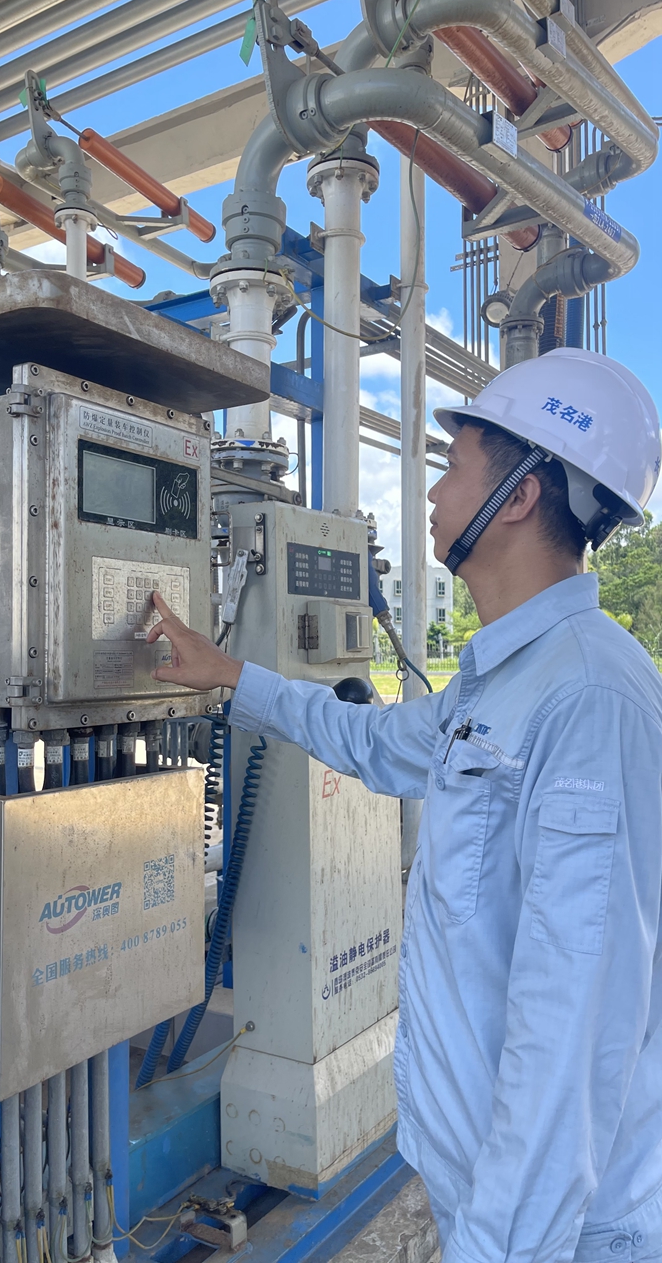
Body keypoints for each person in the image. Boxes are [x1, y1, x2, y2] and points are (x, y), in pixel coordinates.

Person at [147, 348, 662, 1263]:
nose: (431, 489)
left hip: (556, 1232)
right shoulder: (504, 678)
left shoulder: (588, 697)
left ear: (519, 496)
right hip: (486, 1190)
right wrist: (229, 675)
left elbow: (572, 1029)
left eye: (454, 465)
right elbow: (377, 741)